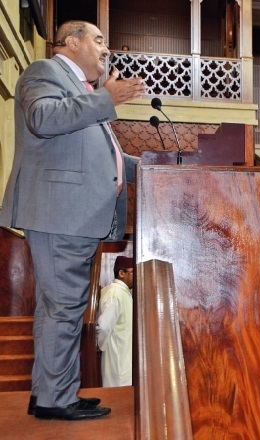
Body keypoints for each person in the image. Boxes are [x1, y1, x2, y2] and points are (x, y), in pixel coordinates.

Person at [0, 20, 146, 420]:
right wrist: (106, 99)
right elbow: (43, 119)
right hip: (60, 213)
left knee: (62, 307)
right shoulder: (44, 72)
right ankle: (54, 399)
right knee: (63, 306)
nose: (105, 48)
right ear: (70, 42)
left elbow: (106, 159)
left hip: (72, 215)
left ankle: (52, 393)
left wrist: (152, 166)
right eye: (98, 39)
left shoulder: (87, 92)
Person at [97, 256, 134, 387]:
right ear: (121, 273)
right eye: (133, 272)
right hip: (117, 359)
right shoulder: (115, 293)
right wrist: (101, 347)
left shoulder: (124, 293)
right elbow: (103, 326)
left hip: (126, 357)